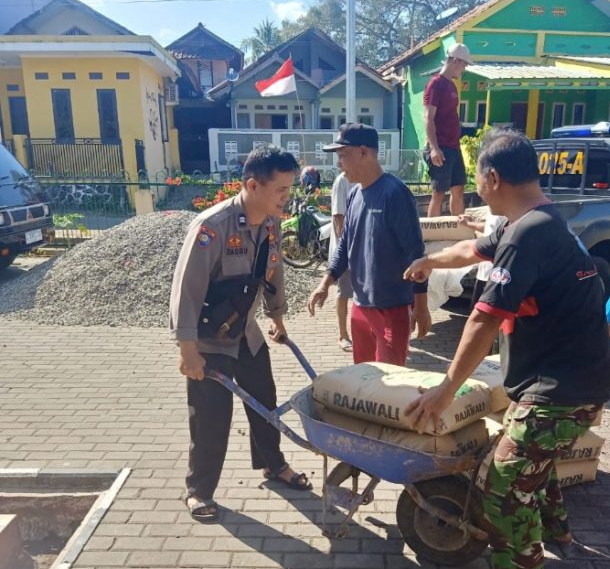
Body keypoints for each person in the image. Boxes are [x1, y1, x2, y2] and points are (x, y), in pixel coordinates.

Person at [404, 129, 610, 569]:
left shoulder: (527, 235)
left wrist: (445, 389)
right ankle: (558, 531)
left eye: (479, 182)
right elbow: (472, 249)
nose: (478, 191)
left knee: (501, 488)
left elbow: (483, 318)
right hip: (577, 381)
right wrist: (428, 262)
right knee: (530, 465)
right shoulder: (539, 222)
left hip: (561, 392)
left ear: (493, 178)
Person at [170, 145, 311, 523]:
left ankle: (272, 464)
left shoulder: (270, 223)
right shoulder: (211, 228)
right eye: (281, 190)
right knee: (212, 417)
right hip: (209, 340)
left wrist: (277, 318)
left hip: (246, 334)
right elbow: (187, 290)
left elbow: (273, 272)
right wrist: (188, 352)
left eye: (290, 188)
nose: (288, 197)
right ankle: (199, 490)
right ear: (252, 184)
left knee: (264, 403)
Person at [308, 123, 430, 366]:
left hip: (391, 309)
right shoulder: (354, 195)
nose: (338, 163)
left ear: (363, 152)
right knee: (363, 380)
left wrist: (422, 306)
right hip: (360, 306)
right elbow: (344, 246)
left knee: (390, 387)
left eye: (343, 155)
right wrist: (325, 283)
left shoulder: (395, 194)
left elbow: (415, 253)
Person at [423, 43, 472, 218]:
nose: (464, 69)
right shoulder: (435, 84)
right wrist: (434, 148)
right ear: (456, 61)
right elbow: (428, 118)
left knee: (458, 189)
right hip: (440, 147)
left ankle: (459, 229)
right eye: (464, 64)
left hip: (453, 147)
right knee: (438, 193)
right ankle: (431, 236)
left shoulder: (451, 85)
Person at [329, 171, 354, 352]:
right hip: (347, 249)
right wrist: (344, 250)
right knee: (344, 292)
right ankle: (343, 335)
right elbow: (339, 217)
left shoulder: (364, 180)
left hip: (362, 250)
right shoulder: (342, 182)